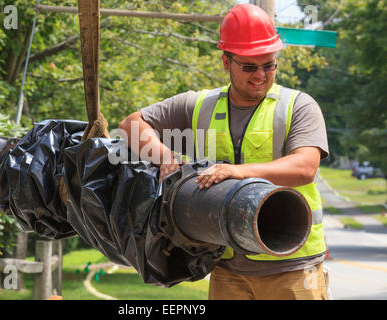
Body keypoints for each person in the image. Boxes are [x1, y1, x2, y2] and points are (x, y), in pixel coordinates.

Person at [118, 3, 329, 300]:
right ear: (225, 62)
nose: (260, 75)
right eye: (249, 66)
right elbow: (131, 124)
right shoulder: (200, 105)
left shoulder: (298, 106)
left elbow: (305, 168)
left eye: (269, 65)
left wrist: (236, 171)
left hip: (291, 266)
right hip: (228, 267)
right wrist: (165, 157)